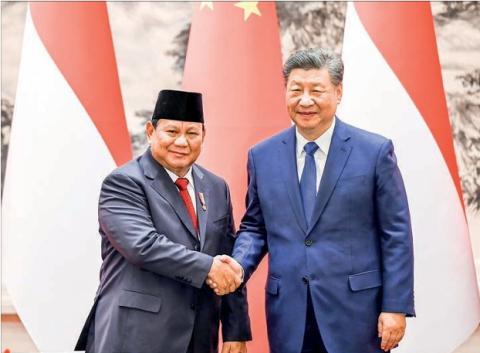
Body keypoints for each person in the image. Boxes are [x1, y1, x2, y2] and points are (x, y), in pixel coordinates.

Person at [227, 48, 415, 353]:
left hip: (357, 314)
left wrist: (395, 306)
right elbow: (255, 227)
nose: (305, 100)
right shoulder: (262, 156)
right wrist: (236, 267)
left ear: (338, 92)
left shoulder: (375, 152)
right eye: (296, 90)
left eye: (317, 90)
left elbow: (396, 235)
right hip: (288, 312)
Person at [75, 90, 251, 353]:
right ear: (150, 131)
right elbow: (143, 246)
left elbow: (229, 259)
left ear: (204, 135)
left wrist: (235, 330)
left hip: (200, 337)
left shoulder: (216, 187)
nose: (181, 142)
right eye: (171, 132)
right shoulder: (124, 182)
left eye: (192, 133)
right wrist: (209, 268)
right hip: (136, 336)